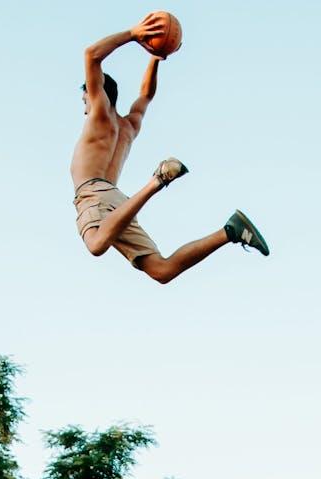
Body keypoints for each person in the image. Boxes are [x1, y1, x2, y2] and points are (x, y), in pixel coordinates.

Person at [72, 15, 269, 284]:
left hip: (94, 196)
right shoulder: (129, 125)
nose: (85, 108)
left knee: (95, 245)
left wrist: (133, 33)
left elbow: (91, 55)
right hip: (116, 202)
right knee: (162, 271)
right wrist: (156, 57)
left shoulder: (99, 114)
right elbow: (146, 95)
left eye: (85, 99)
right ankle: (231, 231)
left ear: (98, 94)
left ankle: (157, 180)